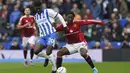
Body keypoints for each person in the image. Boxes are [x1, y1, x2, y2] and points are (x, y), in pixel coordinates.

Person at [33, 1, 67, 73]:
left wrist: (64, 25)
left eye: (39, 7)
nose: (38, 9)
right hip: (43, 37)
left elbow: (59, 16)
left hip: (51, 34)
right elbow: (38, 27)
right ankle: (47, 57)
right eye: (37, 8)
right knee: (35, 51)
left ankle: (54, 68)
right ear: (35, 8)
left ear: (41, 6)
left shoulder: (47, 11)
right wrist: (38, 34)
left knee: (48, 51)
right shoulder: (35, 17)